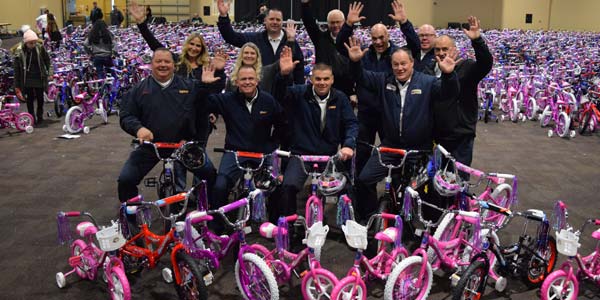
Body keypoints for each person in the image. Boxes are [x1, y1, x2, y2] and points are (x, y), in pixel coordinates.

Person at [344, 37, 459, 221]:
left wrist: (448, 75)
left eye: (404, 64)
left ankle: (420, 224)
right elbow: (361, 77)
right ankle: (370, 218)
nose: (400, 68)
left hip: (419, 149)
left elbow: (448, 93)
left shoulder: (427, 82)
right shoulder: (384, 80)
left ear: (412, 63)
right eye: (395, 64)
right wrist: (355, 62)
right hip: (390, 147)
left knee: (420, 191)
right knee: (364, 179)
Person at [129, 1, 226, 193]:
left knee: (198, 159)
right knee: (179, 160)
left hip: (201, 120)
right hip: (178, 120)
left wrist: (214, 107)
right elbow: (155, 46)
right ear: (186, 44)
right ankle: (180, 196)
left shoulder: (207, 67)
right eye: (192, 43)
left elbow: (216, 89)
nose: (194, 48)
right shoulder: (176, 62)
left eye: (198, 45)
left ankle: (199, 197)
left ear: (202, 48)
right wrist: (142, 24)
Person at [117, 48, 220, 205]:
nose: (163, 65)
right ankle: (132, 217)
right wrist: (138, 128)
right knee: (126, 180)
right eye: (159, 61)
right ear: (151, 64)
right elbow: (126, 115)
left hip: (183, 146)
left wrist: (195, 140)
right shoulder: (139, 90)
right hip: (152, 146)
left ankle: (210, 212)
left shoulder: (190, 86)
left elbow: (204, 108)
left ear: (174, 65)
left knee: (210, 174)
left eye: (167, 61)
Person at [272, 47, 358, 220]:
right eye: (317, 79)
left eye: (326, 79)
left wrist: (348, 145)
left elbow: (351, 123)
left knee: (347, 189)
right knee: (287, 187)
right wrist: (283, 76)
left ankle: (346, 226)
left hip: (330, 156)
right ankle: (289, 228)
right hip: (301, 155)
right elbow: (280, 95)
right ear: (311, 79)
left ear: (332, 80)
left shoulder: (340, 98)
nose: (322, 83)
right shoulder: (298, 94)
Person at [199, 65, 286, 231]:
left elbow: (282, 124)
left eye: (251, 79)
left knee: (275, 186)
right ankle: (216, 228)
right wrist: (205, 86)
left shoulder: (268, 100)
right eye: (243, 79)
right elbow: (203, 105)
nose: (247, 82)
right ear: (236, 82)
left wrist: (272, 145)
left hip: (262, 153)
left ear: (257, 80)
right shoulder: (228, 99)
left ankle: (275, 226)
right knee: (220, 186)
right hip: (234, 152)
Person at [335, 2, 400, 217]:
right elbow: (339, 46)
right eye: (374, 38)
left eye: (382, 38)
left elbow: (415, 50)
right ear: (370, 39)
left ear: (388, 36)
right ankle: (366, 205)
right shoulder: (363, 54)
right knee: (362, 159)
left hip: (389, 114)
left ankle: (395, 203)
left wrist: (405, 23)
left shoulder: (397, 56)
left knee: (394, 158)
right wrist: (348, 26)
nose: (378, 42)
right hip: (365, 113)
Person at [426, 16, 493, 171]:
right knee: (434, 179)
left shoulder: (466, 68)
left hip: (460, 137)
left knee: (458, 180)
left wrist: (477, 41)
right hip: (435, 136)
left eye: (445, 49)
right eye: (438, 49)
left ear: (454, 49)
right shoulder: (428, 70)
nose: (441, 53)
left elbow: (485, 63)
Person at [216, 0, 305, 85]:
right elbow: (232, 37)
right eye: (271, 19)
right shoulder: (255, 39)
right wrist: (223, 17)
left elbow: (299, 69)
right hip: (260, 90)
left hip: (284, 92)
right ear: (265, 21)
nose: (275, 22)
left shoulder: (290, 41)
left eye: (278, 20)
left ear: (282, 22)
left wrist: (300, 93)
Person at [300, 0, 354, 97]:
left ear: (344, 22)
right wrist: (305, 5)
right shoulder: (320, 38)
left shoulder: (351, 41)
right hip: (323, 88)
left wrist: (353, 92)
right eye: (332, 22)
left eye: (338, 22)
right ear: (327, 23)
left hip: (345, 91)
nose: (335, 25)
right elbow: (309, 23)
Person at [13, 29, 52, 126]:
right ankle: (31, 117)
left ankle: (40, 116)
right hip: (26, 79)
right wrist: (17, 85)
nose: (33, 45)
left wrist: (50, 72)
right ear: (25, 42)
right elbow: (17, 70)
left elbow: (47, 60)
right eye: (31, 43)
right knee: (29, 99)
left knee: (40, 98)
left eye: (34, 42)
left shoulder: (40, 48)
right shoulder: (19, 51)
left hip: (39, 77)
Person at [391, 0, 436, 71]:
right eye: (421, 35)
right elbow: (411, 35)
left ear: (435, 37)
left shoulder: (438, 54)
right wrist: (403, 22)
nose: (424, 38)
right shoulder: (414, 50)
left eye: (428, 35)